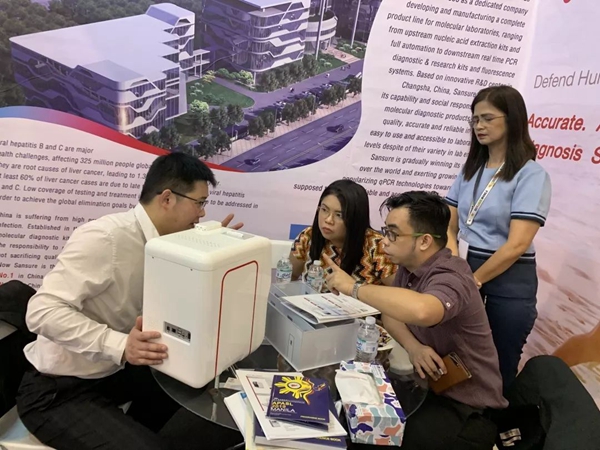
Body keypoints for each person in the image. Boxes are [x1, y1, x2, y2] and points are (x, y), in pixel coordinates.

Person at [16, 153, 244, 450]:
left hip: (114, 375)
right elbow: (41, 311)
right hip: (59, 390)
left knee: (214, 396)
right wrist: (121, 345)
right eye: (199, 203)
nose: (202, 213)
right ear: (167, 199)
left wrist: (214, 258)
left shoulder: (171, 243)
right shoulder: (106, 238)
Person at [324, 191, 507, 450]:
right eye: (386, 231)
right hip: (427, 389)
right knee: (351, 423)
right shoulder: (409, 269)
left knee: (372, 437)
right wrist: (414, 347)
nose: (384, 241)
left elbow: (424, 310)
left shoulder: (452, 275)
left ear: (424, 241)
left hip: (467, 408)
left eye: (393, 234)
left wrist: (354, 288)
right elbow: (392, 314)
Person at [445, 85, 552, 390]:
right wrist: (455, 259)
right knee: (459, 355)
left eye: (488, 118)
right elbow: (450, 219)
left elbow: (517, 244)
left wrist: (474, 281)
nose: (479, 126)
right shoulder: (471, 169)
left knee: (498, 366)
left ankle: (492, 418)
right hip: (467, 268)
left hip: (508, 280)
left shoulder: (531, 175)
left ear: (512, 119)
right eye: (475, 119)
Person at [290, 179, 396, 290]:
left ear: (355, 218)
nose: (328, 220)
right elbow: (290, 277)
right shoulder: (308, 236)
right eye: (324, 210)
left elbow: (398, 294)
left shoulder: (377, 246)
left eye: (339, 215)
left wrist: (356, 288)